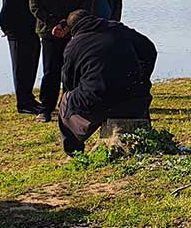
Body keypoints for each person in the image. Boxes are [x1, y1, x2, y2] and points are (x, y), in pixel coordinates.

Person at [58, 10, 157, 155]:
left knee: (66, 101)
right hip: (135, 99)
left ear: (73, 29)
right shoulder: (119, 29)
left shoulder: (73, 46)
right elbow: (149, 49)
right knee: (135, 87)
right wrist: (142, 75)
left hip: (97, 101)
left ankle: (74, 151)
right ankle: (144, 137)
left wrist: (75, 94)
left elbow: (68, 81)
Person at [29, 0, 92, 122]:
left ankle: (46, 110)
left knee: (50, 71)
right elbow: (86, 7)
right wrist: (66, 25)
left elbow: (34, 5)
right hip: (73, 32)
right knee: (72, 70)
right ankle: (70, 107)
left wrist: (53, 24)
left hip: (49, 33)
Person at [0, 0, 42, 114]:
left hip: (32, 35)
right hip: (18, 37)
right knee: (21, 70)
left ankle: (29, 99)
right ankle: (23, 104)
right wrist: (8, 31)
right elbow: (4, 17)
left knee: (31, 68)